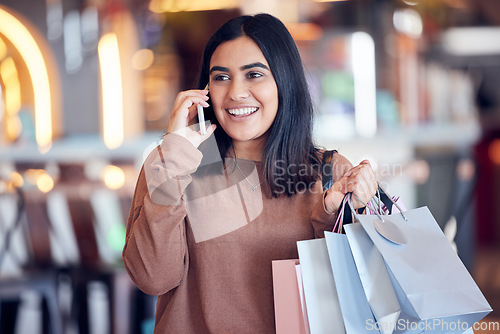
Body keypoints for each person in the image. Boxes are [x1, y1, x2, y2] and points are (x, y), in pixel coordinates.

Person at [122, 13, 377, 333]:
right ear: (205, 90)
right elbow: (152, 277)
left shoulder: (330, 172)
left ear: (284, 81)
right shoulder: (171, 165)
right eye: (221, 77)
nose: (236, 93)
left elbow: (359, 293)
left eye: (254, 74)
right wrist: (174, 157)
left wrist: (334, 213)